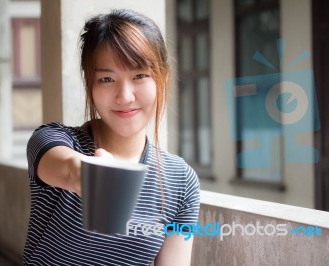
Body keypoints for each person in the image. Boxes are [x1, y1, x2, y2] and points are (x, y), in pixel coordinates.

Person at [23, 9, 200, 266]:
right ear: (90, 85)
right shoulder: (53, 138)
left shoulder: (181, 182)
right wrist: (88, 175)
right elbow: (65, 166)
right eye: (107, 79)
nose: (125, 96)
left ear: (162, 78)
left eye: (139, 76)